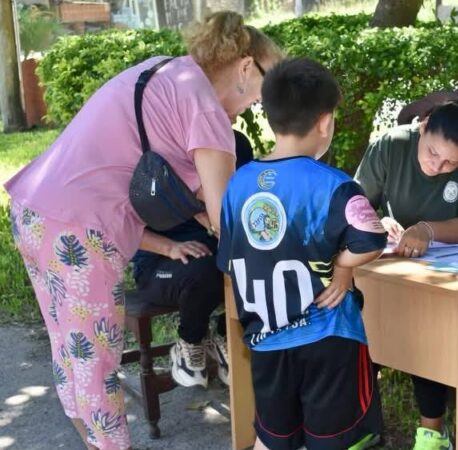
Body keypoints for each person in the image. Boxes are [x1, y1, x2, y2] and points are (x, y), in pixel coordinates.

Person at [4, 11, 281, 450]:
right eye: (267, 89)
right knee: (95, 363)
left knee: (73, 355)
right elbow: (228, 216)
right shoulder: (206, 108)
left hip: (36, 210)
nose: (261, 104)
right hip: (78, 228)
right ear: (247, 68)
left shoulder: (166, 71)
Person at [217, 57, 387, 450]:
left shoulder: (238, 185)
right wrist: (343, 266)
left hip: (265, 341)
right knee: (330, 441)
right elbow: (372, 238)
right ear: (325, 122)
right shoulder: (335, 185)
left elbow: (228, 261)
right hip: (327, 339)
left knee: (273, 438)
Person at [354, 82, 458, 450]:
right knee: (362, 328)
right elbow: (356, 204)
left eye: (451, 162)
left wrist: (428, 230)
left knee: (432, 334)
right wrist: (376, 223)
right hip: (395, 263)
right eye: (432, 153)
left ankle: (432, 432)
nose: (438, 167)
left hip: (454, 269)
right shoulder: (391, 144)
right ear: (423, 127)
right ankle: (360, 425)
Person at [130, 129, 254, 388]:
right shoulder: (154, 150)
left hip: (216, 249)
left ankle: (223, 334)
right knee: (204, 269)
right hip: (160, 261)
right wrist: (169, 247)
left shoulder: (236, 145)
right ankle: (189, 341)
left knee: (265, 259)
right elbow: (120, 224)